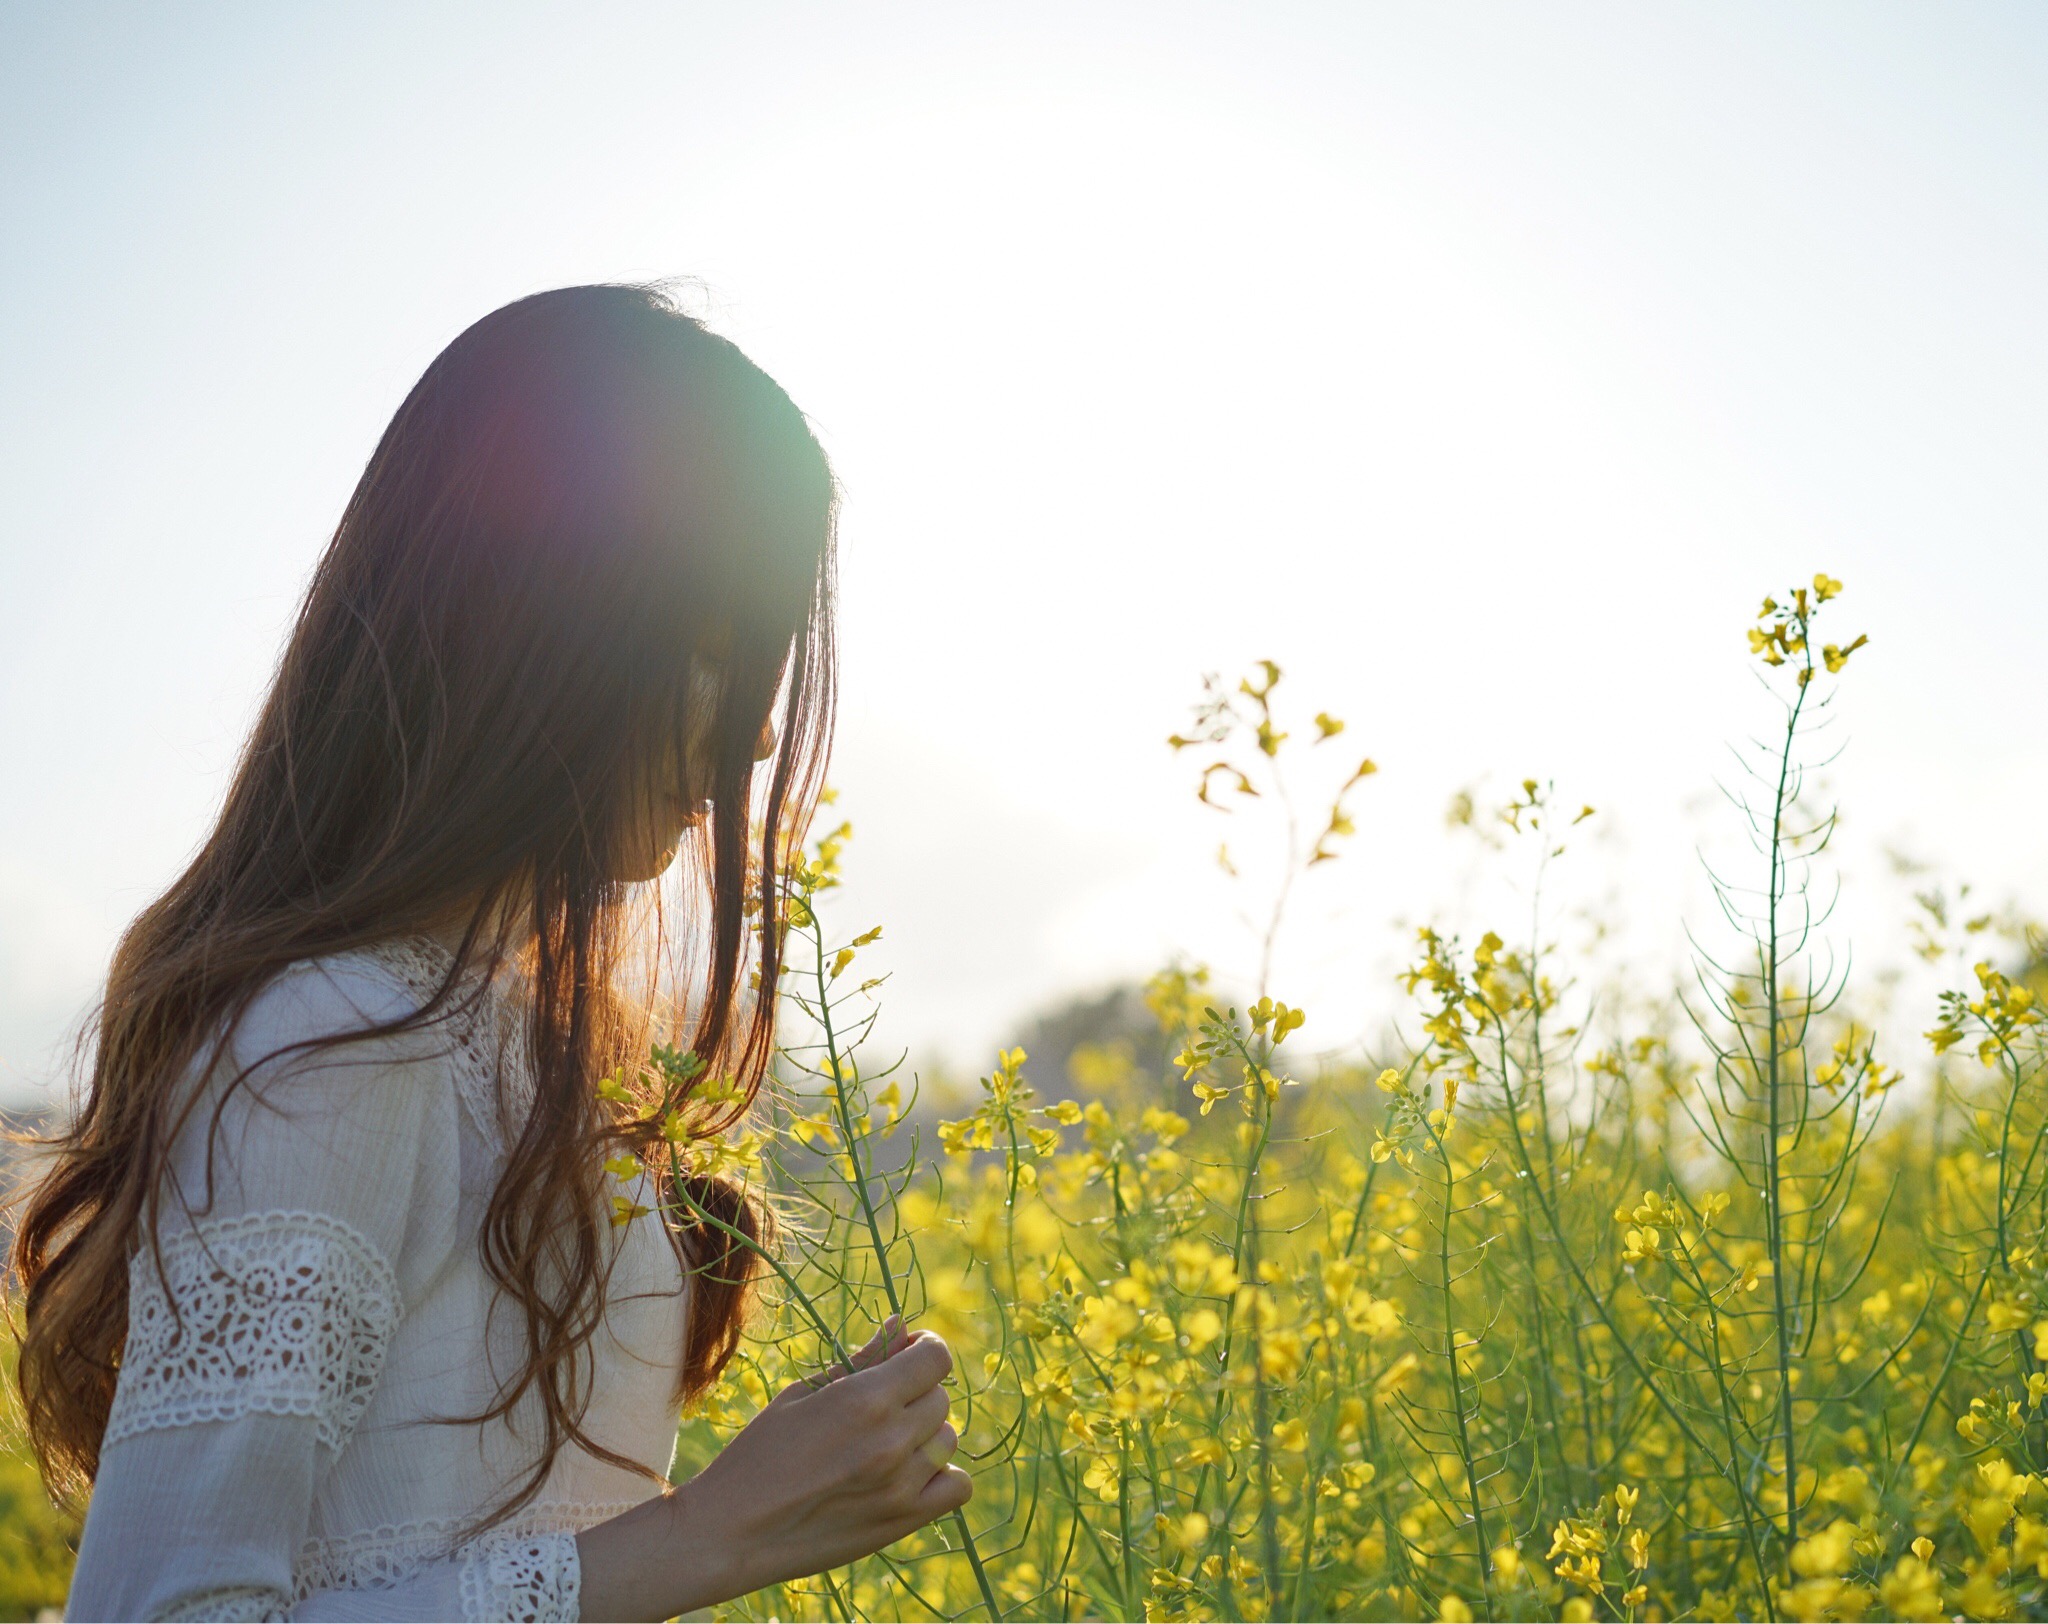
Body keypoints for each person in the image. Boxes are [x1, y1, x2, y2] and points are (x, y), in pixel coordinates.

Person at [11, 284, 971, 1621]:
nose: (755, 735)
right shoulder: (329, 1045)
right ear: (539, 631)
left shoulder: (524, 1045)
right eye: (713, 648)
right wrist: (716, 1536)